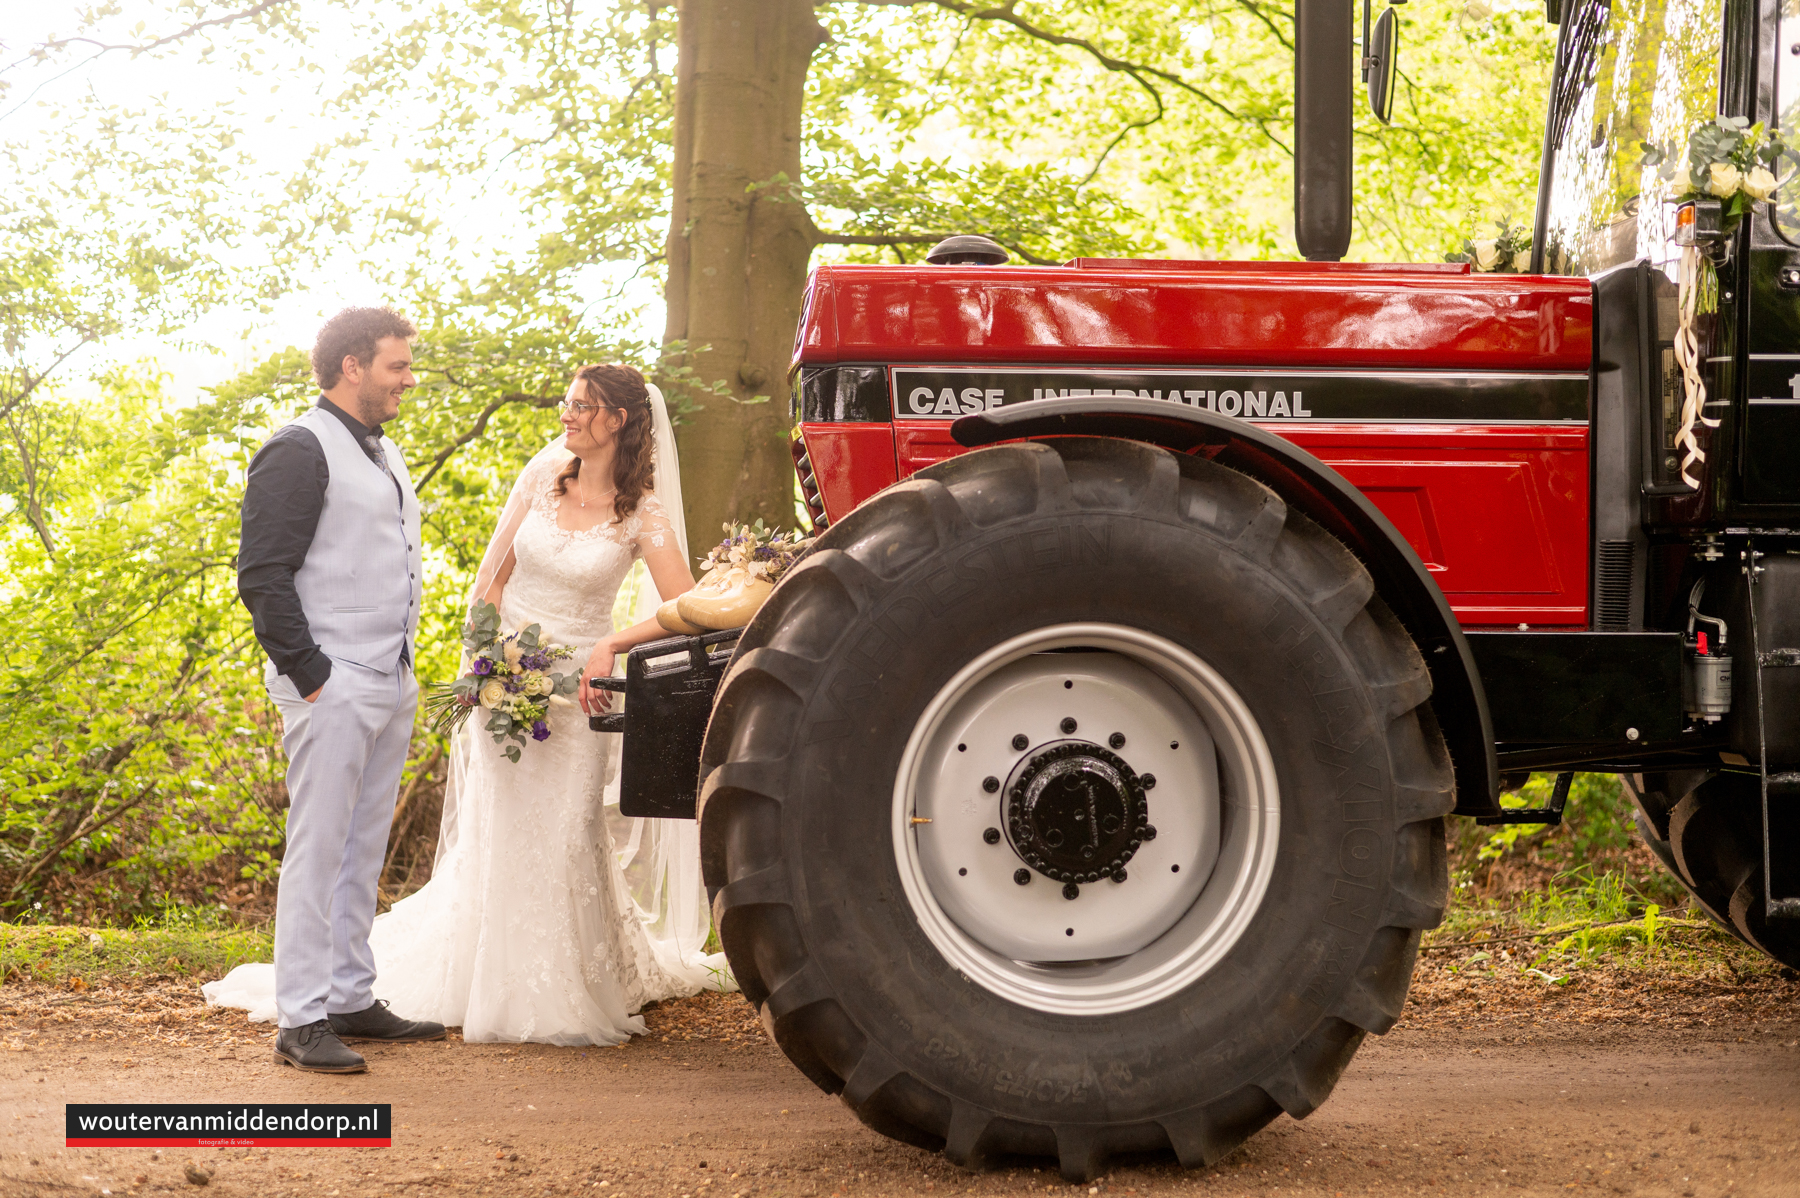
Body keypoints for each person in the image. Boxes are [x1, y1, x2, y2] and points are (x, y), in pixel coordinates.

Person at [210, 362, 730, 1047]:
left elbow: (687, 610)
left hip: (576, 698)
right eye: (567, 402)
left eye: (581, 406)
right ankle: (467, 978)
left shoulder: (644, 512)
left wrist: (612, 645)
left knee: (567, 837)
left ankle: (564, 982)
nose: (566, 415)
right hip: (505, 684)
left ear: (619, 421)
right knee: (498, 833)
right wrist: (490, 665)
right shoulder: (542, 478)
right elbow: (488, 584)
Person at [230, 307, 446, 1073]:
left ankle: (352, 992)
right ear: (352, 366)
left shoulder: (383, 452)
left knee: (362, 846)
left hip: (389, 678)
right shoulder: (297, 449)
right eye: (397, 365)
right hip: (331, 681)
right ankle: (302, 1018)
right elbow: (262, 575)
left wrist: (397, 674)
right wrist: (312, 676)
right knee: (318, 848)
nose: (408, 379)